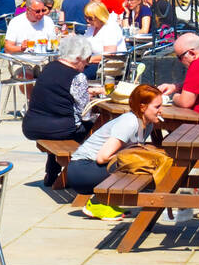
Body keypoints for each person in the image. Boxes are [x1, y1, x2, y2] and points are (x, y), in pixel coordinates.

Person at [66, 84, 164, 220]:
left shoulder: (147, 124)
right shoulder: (130, 123)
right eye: (157, 107)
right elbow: (102, 157)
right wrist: (133, 153)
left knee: (137, 162)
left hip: (91, 167)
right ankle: (96, 203)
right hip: (82, 170)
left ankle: (107, 202)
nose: (161, 110)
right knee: (133, 164)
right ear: (142, 107)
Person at [22, 35, 95, 187]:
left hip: (32, 125)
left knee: (65, 126)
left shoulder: (49, 67)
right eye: (87, 60)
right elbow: (85, 113)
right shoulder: (77, 77)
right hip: (60, 128)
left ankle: (52, 172)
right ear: (77, 57)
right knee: (95, 126)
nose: (87, 64)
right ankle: (86, 175)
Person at [84, 1, 125, 78]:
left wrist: (89, 59)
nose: (87, 21)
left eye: (90, 18)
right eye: (86, 17)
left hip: (109, 65)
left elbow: (110, 54)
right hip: (94, 63)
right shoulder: (92, 28)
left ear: (99, 17)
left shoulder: (110, 28)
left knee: (78, 76)